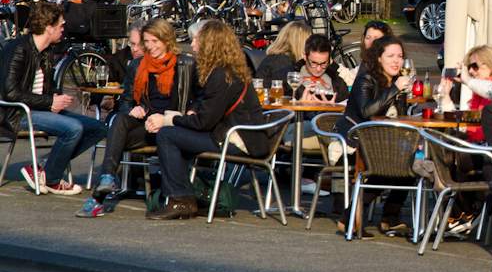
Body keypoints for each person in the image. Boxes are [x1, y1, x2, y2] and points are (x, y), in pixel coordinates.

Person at [145, 20, 266, 220]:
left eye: (196, 41)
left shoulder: (221, 75)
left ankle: (180, 200)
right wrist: (181, 117)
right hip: (243, 136)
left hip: (238, 141)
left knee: (167, 136)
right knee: (174, 135)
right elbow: (206, 115)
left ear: (210, 45)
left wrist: (168, 120)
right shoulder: (228, 70)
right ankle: (186, 197)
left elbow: (203, 123)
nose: (192, 45)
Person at [78, 18, 198, 217]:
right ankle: (107, 179)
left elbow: (199, 99)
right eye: (147, 42)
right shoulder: (137, 65)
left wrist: (173, 118)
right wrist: (131, 109)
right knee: (119, 118)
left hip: (172, 127)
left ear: (167, 41)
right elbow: (125, 101)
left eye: (154, 42)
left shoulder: (186, 64)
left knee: (124, 123)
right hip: (148, 127)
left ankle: (98, 198)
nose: (149, 47)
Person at [2, 2, 107, 195]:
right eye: (61, 25)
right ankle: (51, 179)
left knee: (97, 128)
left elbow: (46, 88)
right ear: (49, 29)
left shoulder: (47, 51)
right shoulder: (19, 48)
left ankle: (41, 166)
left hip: (39, 108)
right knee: (73, 128)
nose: (63, 29)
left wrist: (55, 99)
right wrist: (50, 102)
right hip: (15, 112)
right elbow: (11, 92)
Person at [337, 34, 411, 236]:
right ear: (379, 58)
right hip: (355, 142)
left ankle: (391, 216)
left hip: (382, 142)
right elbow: (367, 112)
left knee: (413, 159)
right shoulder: (365, 78)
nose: (396, 61)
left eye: (399, 56)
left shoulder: (397, 82)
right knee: (389, 165)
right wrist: (395, 89)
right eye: (390, 56)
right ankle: (349, 217)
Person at [272, 33, 351, 196]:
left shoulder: (335, 80)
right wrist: (300, 104)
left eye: (323, 64)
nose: (318, 69)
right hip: (294, 126)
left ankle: (341, 200)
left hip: (329, 127)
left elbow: (347, 105)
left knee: (348, 137)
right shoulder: (287, 76)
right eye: (313, 63)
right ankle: (336, 194)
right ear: (304, 56)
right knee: (343, 139)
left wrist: (331, 109)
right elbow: (274, 109)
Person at [440, 45, 492, 142]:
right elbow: (465, 126)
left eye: (475, 66)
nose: (471, 71)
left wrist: (467, 81)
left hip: (489, 150)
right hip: (477, 146)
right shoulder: (479, 95)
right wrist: (445, 96)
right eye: (469, 67)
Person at [338, 20, 392, 86]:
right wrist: (331, 63)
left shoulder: (390, 65)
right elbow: (350, 78)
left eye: (376, 38)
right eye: (368, 38)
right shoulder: (367, 62)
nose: (371, 42)